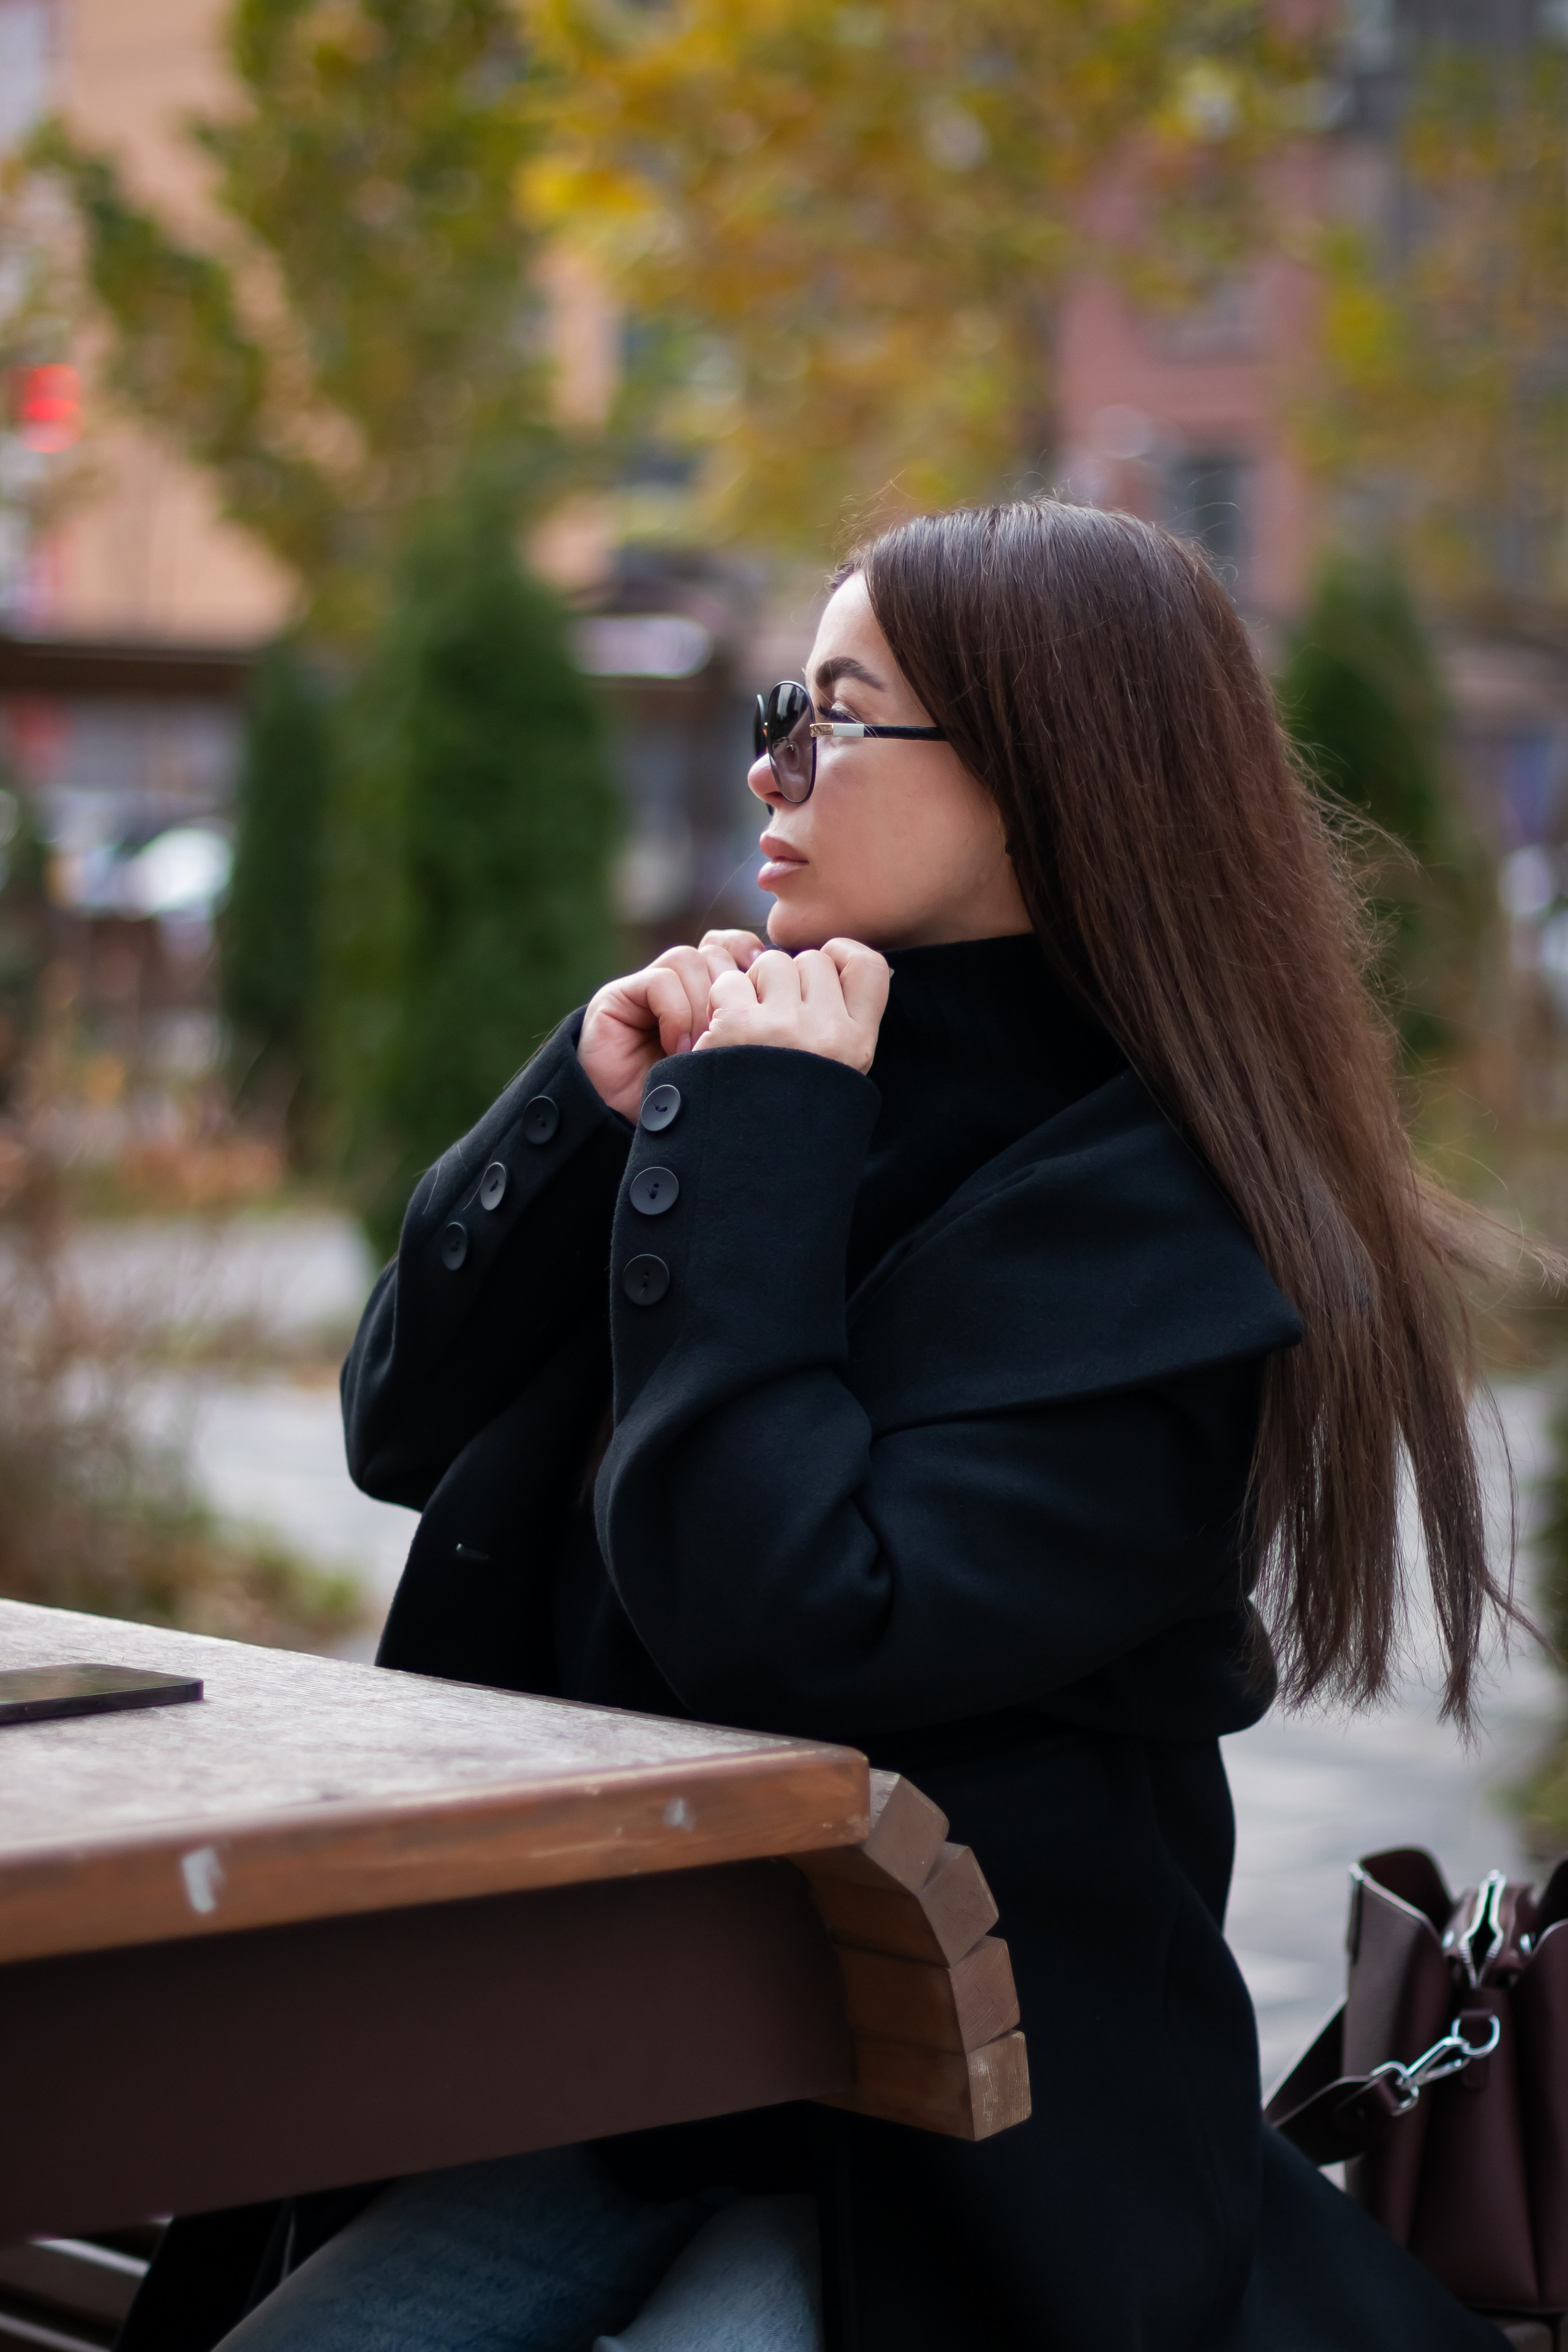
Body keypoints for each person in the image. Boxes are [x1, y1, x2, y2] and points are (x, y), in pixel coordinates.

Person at [191, 499, 1517, 2351]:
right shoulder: (784, 1076)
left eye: (836, 716)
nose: (776, 769)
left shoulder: (1164, 1229)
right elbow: (402, 1427)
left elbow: (801, 1618)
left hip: (961, 2150)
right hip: (629, 2063)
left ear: (1047, 780)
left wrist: (747, 1161)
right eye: (773, 712)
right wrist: (587, 1107)